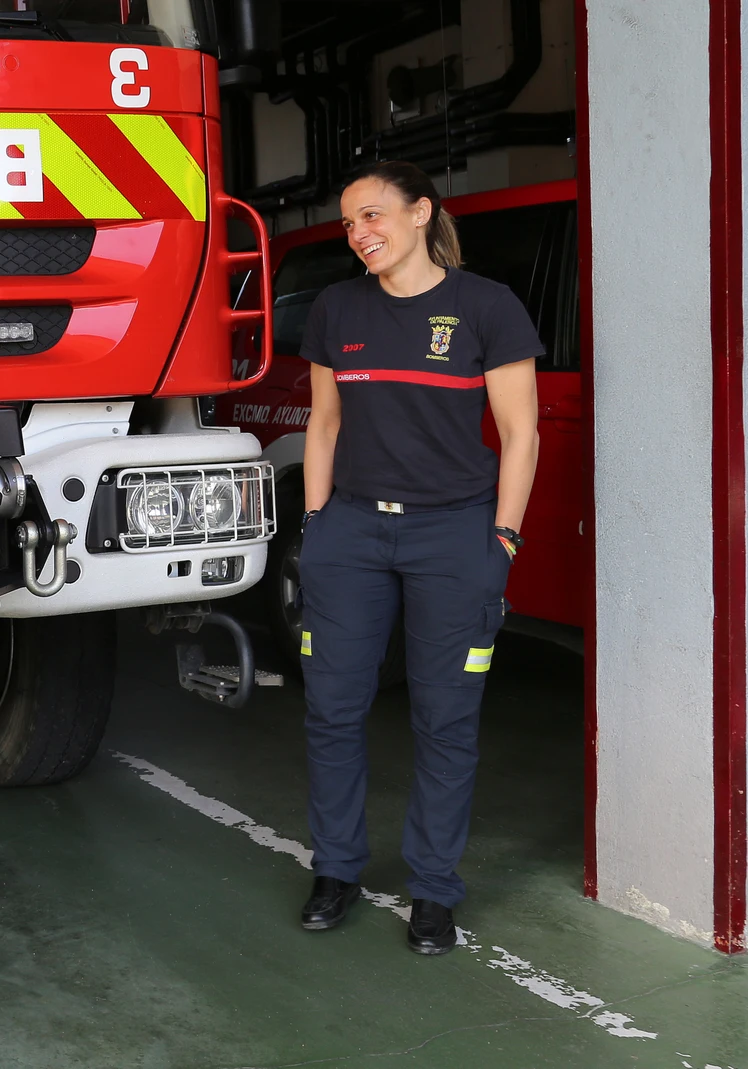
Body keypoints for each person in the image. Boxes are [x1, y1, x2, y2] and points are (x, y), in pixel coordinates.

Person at [292, 161, 541, 954]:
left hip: (454, 534)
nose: (360, 233)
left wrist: (502, 539)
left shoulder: (484, 307)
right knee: (332, 709)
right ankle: (335, 870)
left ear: (421, 212)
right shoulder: (338, 309)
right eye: (349, 223)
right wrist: (316, 525)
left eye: (372, 215)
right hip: (352, 535)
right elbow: (324, 424)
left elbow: (521, 434)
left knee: (446, 719)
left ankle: (433, 890)